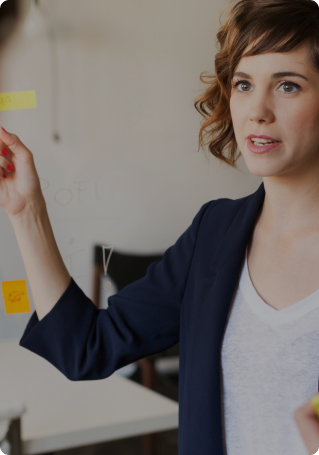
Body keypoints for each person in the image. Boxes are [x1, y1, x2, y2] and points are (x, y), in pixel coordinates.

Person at [3, 0, 319, 454]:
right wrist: (26, 209)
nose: (258, 110)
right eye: (244, 84)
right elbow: (86, 347)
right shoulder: (214, 233)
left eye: (288, 85)